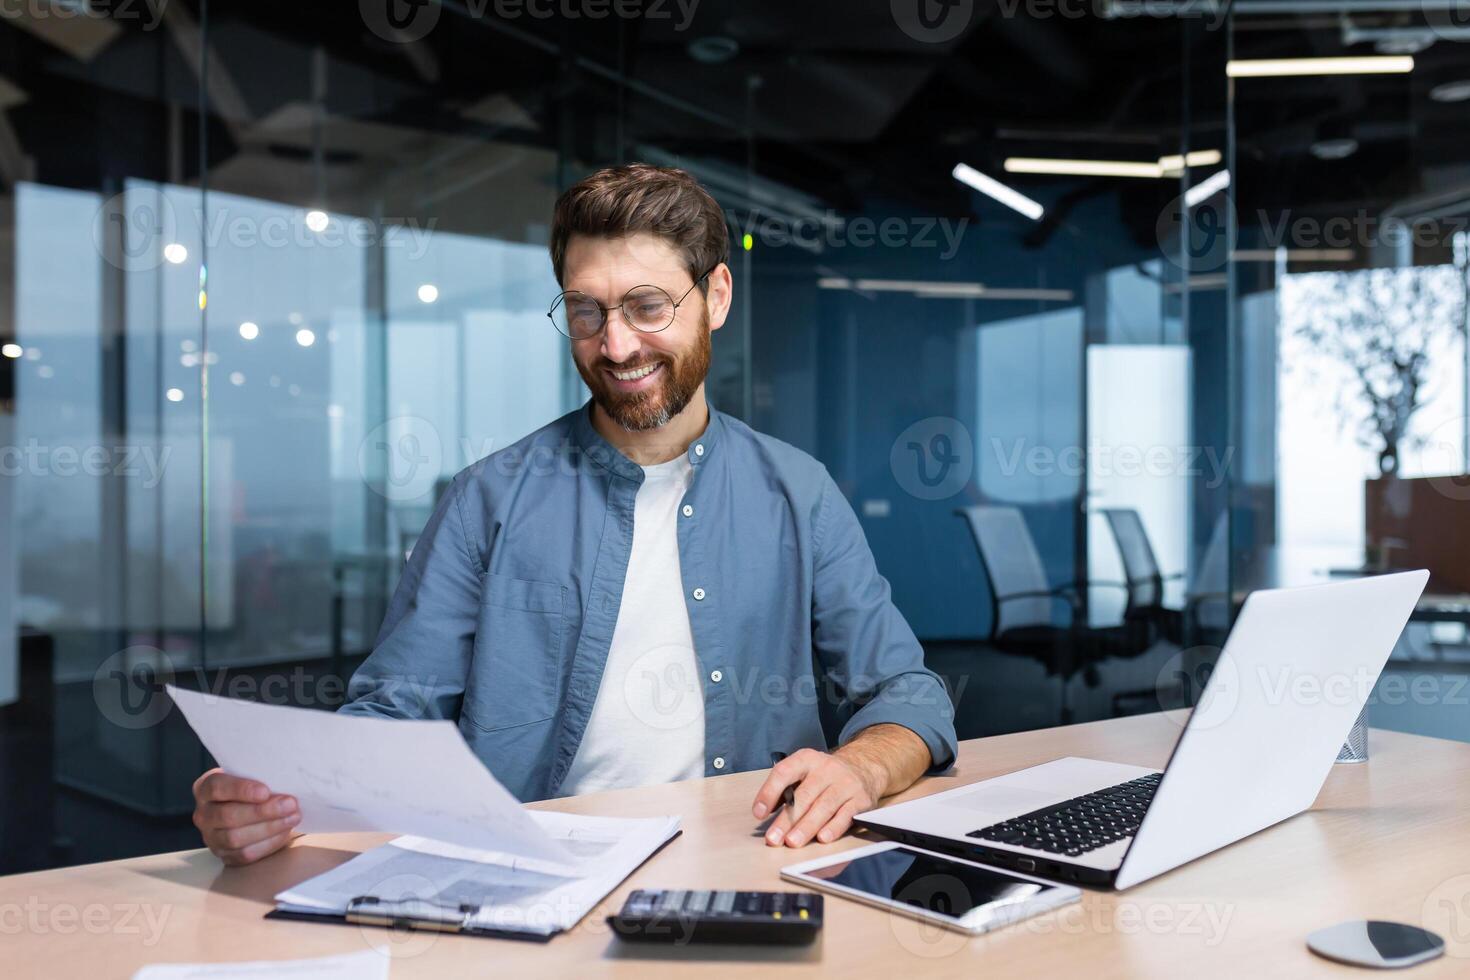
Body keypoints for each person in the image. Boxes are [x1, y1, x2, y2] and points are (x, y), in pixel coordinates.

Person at [191, 164, 957, 866]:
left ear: (716, 297)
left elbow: (907, 694)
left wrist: (859, 766)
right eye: (587, 311)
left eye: (647, 306)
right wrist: (276, 798)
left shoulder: (800, 492)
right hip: (531, 872)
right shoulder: (486, 499)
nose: (616, 344)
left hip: (747, 858)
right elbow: (395, 710)